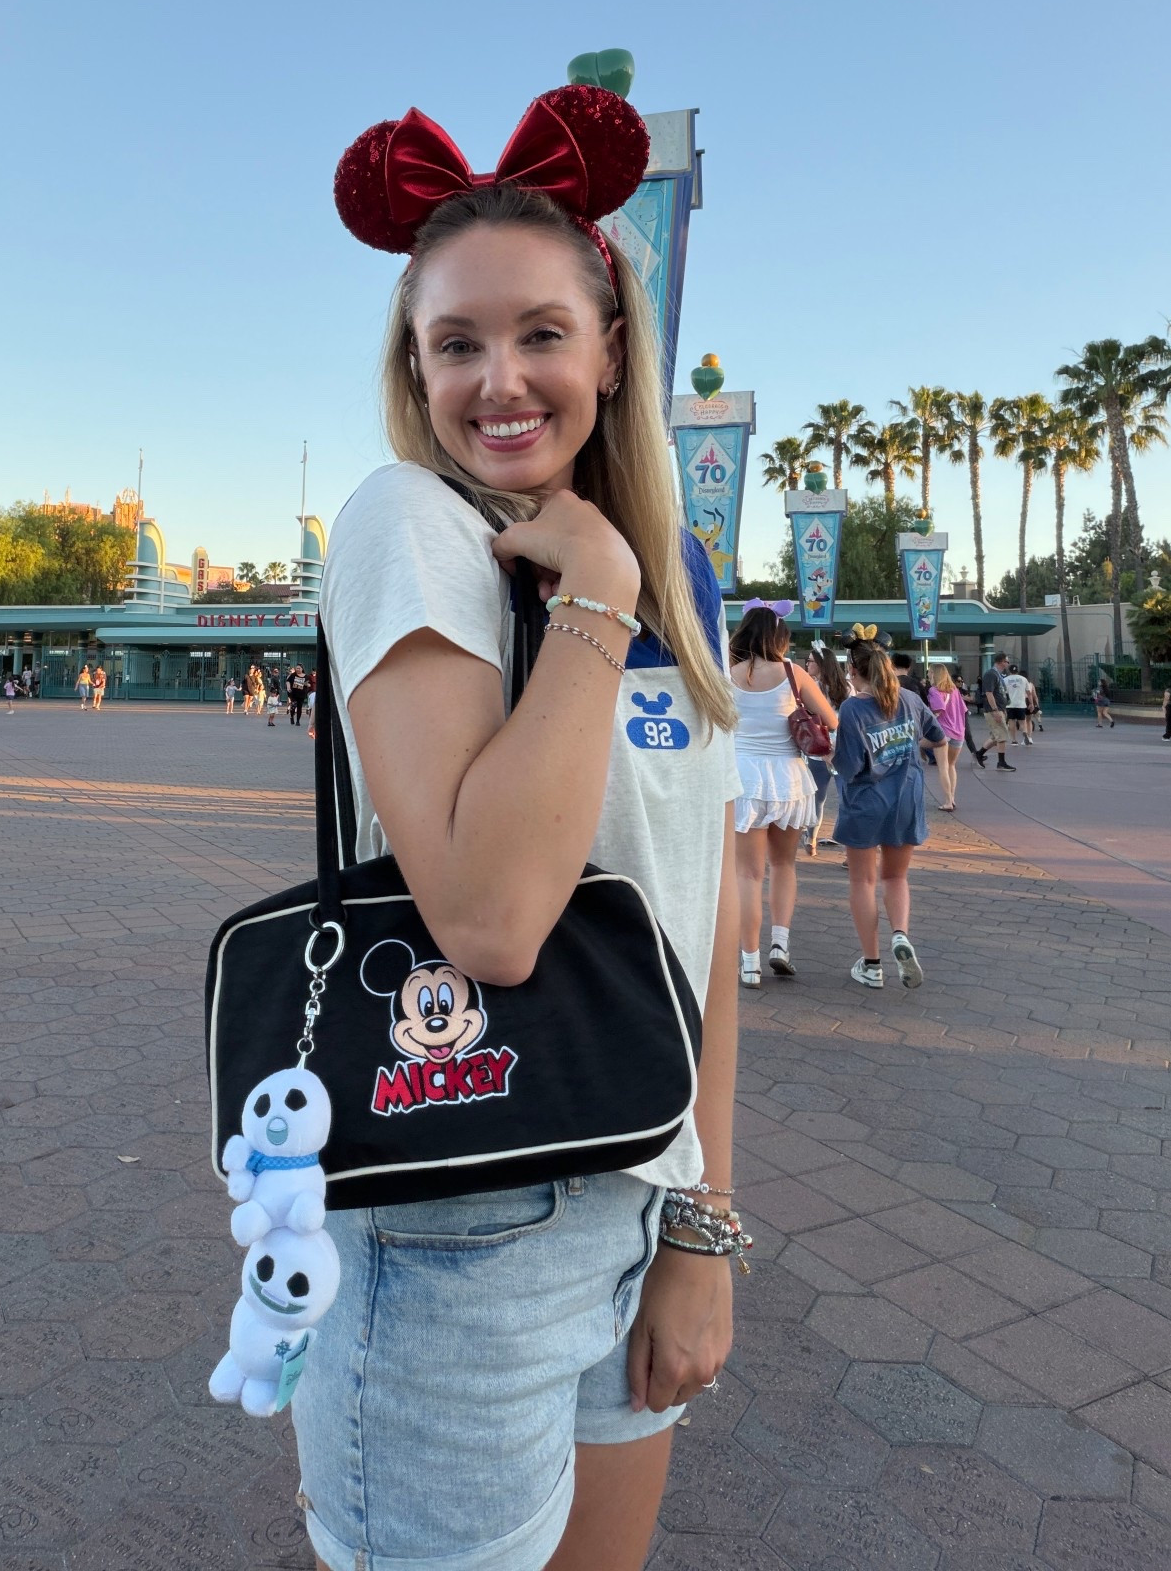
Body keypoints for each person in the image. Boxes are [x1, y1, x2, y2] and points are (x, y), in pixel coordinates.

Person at [292, 89, 745, 1571]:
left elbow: (707, 926)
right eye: (456, 343)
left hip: (638, 1192)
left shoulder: (670, 578)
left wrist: (701, 1226)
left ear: (611, 350)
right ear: (413, 370)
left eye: (541, 332)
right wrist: (598, 594)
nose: (500, 381)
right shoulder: (411, 526)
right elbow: (491, 916)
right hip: (460, 1221)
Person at [727, 605, 836, 984]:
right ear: (780, 638)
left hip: (743, 780)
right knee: (784, 866)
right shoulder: (794, 672)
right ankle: (780, 946)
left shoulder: (727, 674)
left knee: (747, 874)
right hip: (789, 780)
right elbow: (832, 720)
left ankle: (749, 962)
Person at [834, 633, 947, 989]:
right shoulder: (910, 699)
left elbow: (849, 766)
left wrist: (826, 754)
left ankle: (872, 965)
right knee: (896, 878)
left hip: (864, 802)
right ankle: (900, 934)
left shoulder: (852, 709)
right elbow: (939, 737)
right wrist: (907, 744)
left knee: (862, 882)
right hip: (906, 798)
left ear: (854, 670)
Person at [800, 640, 848, 855]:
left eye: (810, 661)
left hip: (820, 748)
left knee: (818, 797)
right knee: (844, 798)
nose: (807, 664)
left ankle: (811, 839)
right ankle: (849, 848)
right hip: (840, 748)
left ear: (820, 663)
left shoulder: (811, 688)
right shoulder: (846, 687)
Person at [927, 662, 967, 809]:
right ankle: (952, 798)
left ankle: (948, 801)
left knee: (942, 767)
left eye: (929, 672)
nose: (928, 674)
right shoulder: (954, 690)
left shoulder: (934, 690)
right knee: (951, 766)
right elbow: (963, 710)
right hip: (958, 732)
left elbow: (938, 709)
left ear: (934, 674)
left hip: (943, 732)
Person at [979, 651, 1016, 770]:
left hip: (999, 709)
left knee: (996, 736)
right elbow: (989, 693)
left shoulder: (998, 675)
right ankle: (1001, 762)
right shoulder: (991, 674)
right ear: (1001, 662)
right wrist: (995, 710)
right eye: (1007, 661)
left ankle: (979, 754)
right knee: (1002, 735)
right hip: (993, 710)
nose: (1008, 664)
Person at [1002, 661, 1032, 749]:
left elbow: (1003, 693)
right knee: (1022, 722)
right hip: (1021, 704)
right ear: (1017, 671)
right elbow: (1029, 692)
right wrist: (1031, 703)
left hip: (1010, 704)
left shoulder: (1005, 680)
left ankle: (1014, 740)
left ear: (1009, 671)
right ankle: (1025, 733)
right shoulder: (1023, 679)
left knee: (1012, 722)